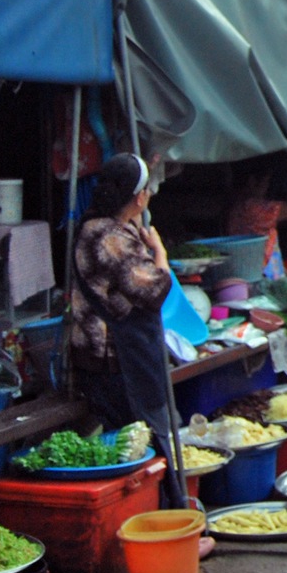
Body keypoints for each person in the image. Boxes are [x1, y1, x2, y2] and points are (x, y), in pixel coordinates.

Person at [68, 153, 185, 510]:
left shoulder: (112, 226)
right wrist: (160, 254)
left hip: (120, 358)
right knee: (144, 445)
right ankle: (164, 522)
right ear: (139, 197)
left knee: (146, 442)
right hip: (115, 362)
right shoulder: (109, 237)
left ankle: (165, 518)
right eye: (147, 189)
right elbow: (154, 291)